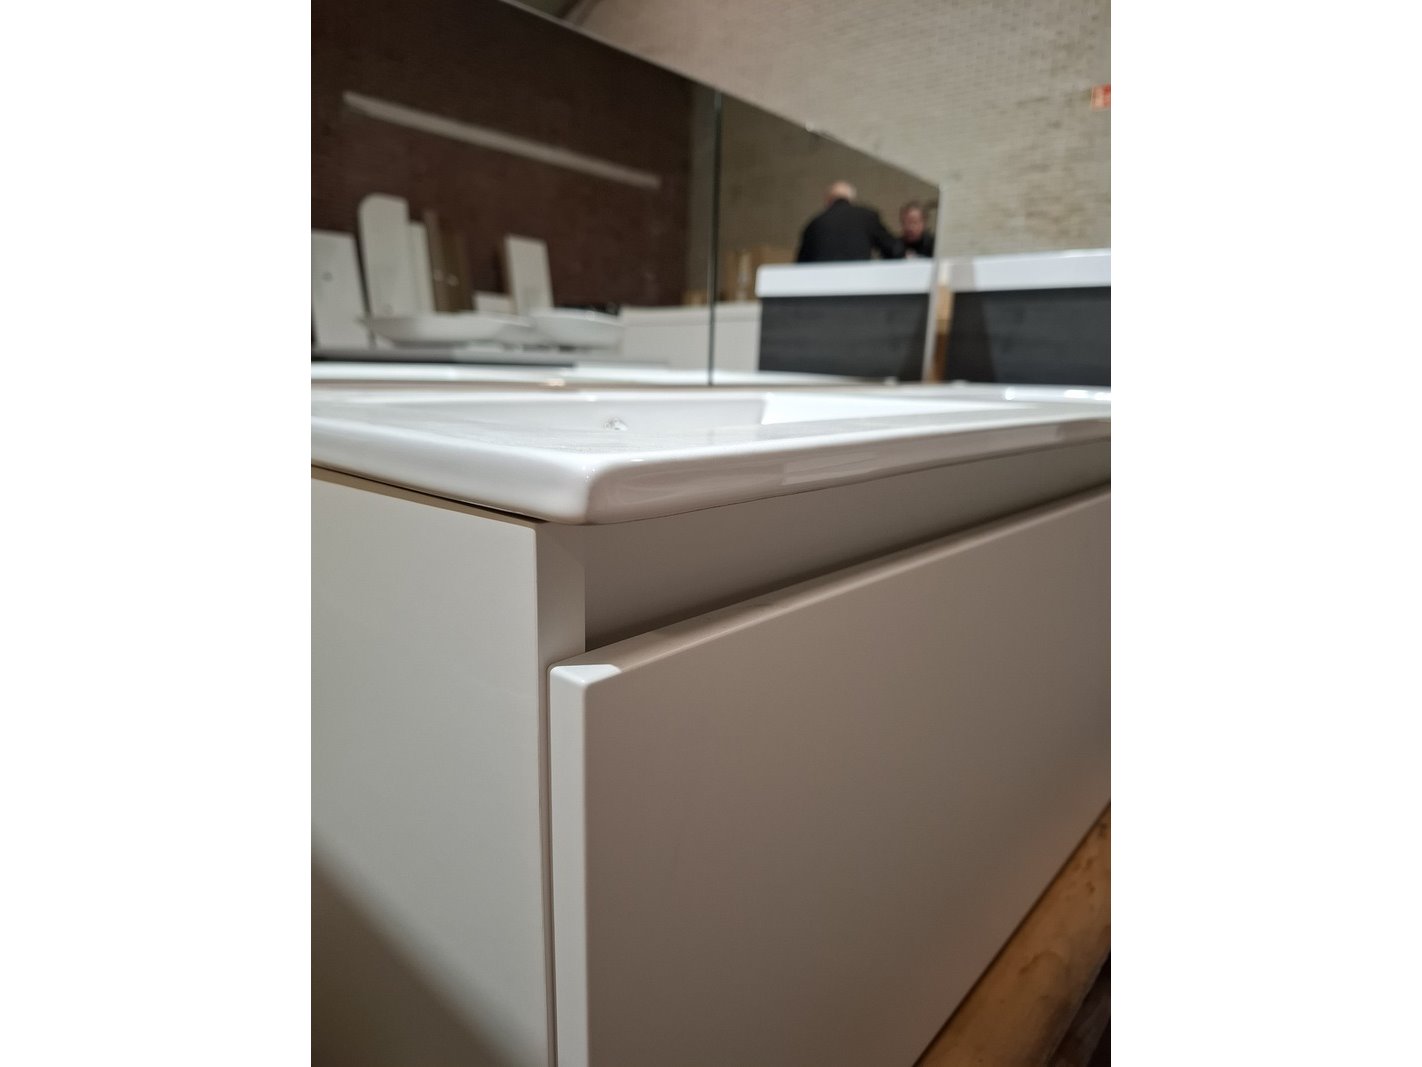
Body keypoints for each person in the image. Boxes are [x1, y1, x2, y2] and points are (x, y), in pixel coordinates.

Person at [795, 181, 902, 263]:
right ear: (851, 198)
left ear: (828, 201)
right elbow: (893, 248)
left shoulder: (815, 223)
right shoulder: (866, 216)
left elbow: (801, 263)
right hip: (859, 279)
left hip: (825, 282)